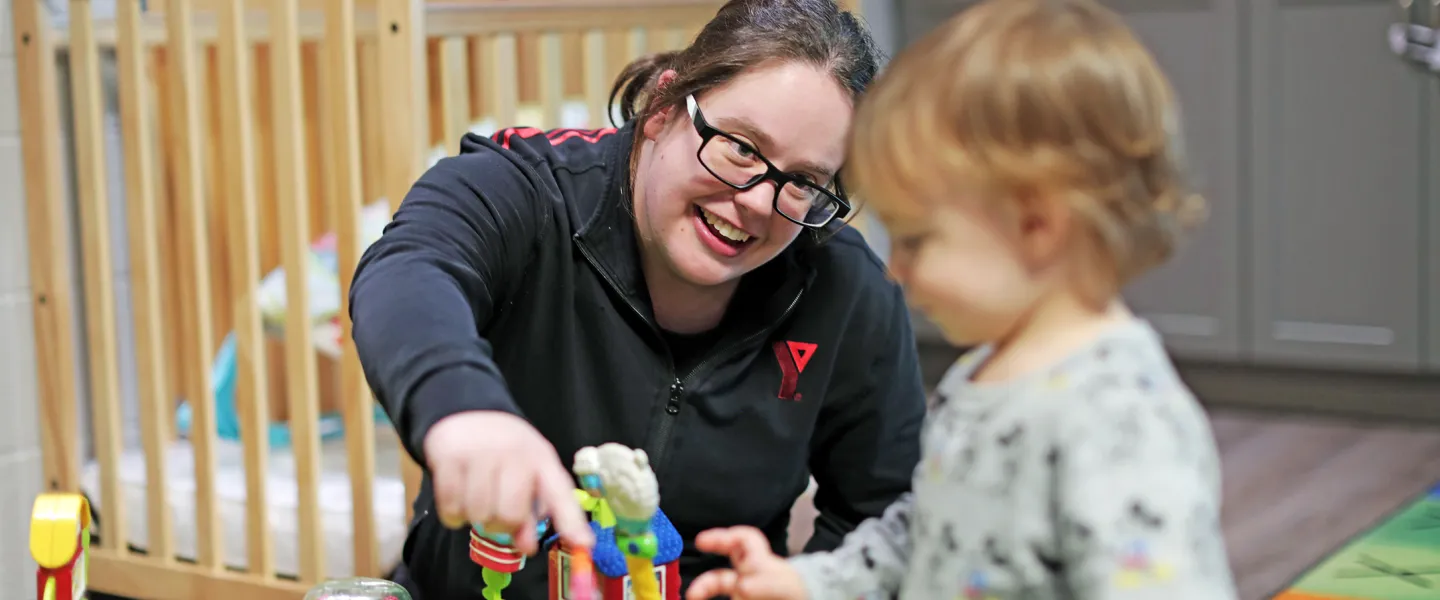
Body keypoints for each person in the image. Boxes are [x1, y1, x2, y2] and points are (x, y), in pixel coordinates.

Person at [347, 0, 928, 598]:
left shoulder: (844, 285)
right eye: (742, 148)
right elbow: (411, 270)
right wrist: (463, 407)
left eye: (803, 181)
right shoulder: (526, 189)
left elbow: (882, 515)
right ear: (663, 108)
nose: (758, 201)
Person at [684, 0, 1241, 598]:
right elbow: (922, 535)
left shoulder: (1122, 418)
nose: (894, 271)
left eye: (918, 240)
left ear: (1037, 226)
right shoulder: (982, 376)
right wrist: (806, 581)